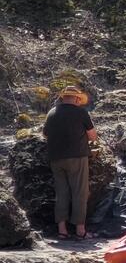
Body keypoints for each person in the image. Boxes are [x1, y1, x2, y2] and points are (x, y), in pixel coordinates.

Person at [42, 86, 97, 240]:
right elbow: (93, 136)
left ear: (63, 97)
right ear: (77, 98)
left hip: (56, 159)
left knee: (61, 193)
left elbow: (45, 134)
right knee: (80, 192)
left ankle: (62, 230)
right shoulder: (81, 112)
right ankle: (80, 230)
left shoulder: (52, 113)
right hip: (77, 157)